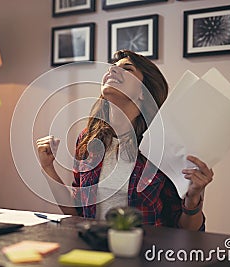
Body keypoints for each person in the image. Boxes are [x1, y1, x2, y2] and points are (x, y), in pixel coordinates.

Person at [36, 50, 213, 231]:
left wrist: (193, 198)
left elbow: (187, 231)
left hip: (147, 254)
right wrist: (48, 168)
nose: (112, 71)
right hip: (95, 251)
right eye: (112, 68)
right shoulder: (88, 139)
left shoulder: (164, 146)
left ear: (144, 93)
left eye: (127, 69)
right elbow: (77, 215)